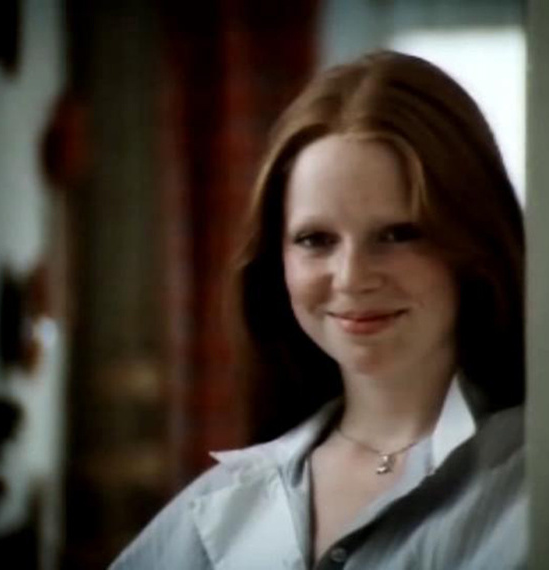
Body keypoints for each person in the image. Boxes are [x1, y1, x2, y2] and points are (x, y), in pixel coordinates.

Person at [111, 50, 526, 570]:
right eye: (315, 239)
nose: (351, 277)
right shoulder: (221, 503)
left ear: (476, 245)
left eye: (398, 234)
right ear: (277, 261)